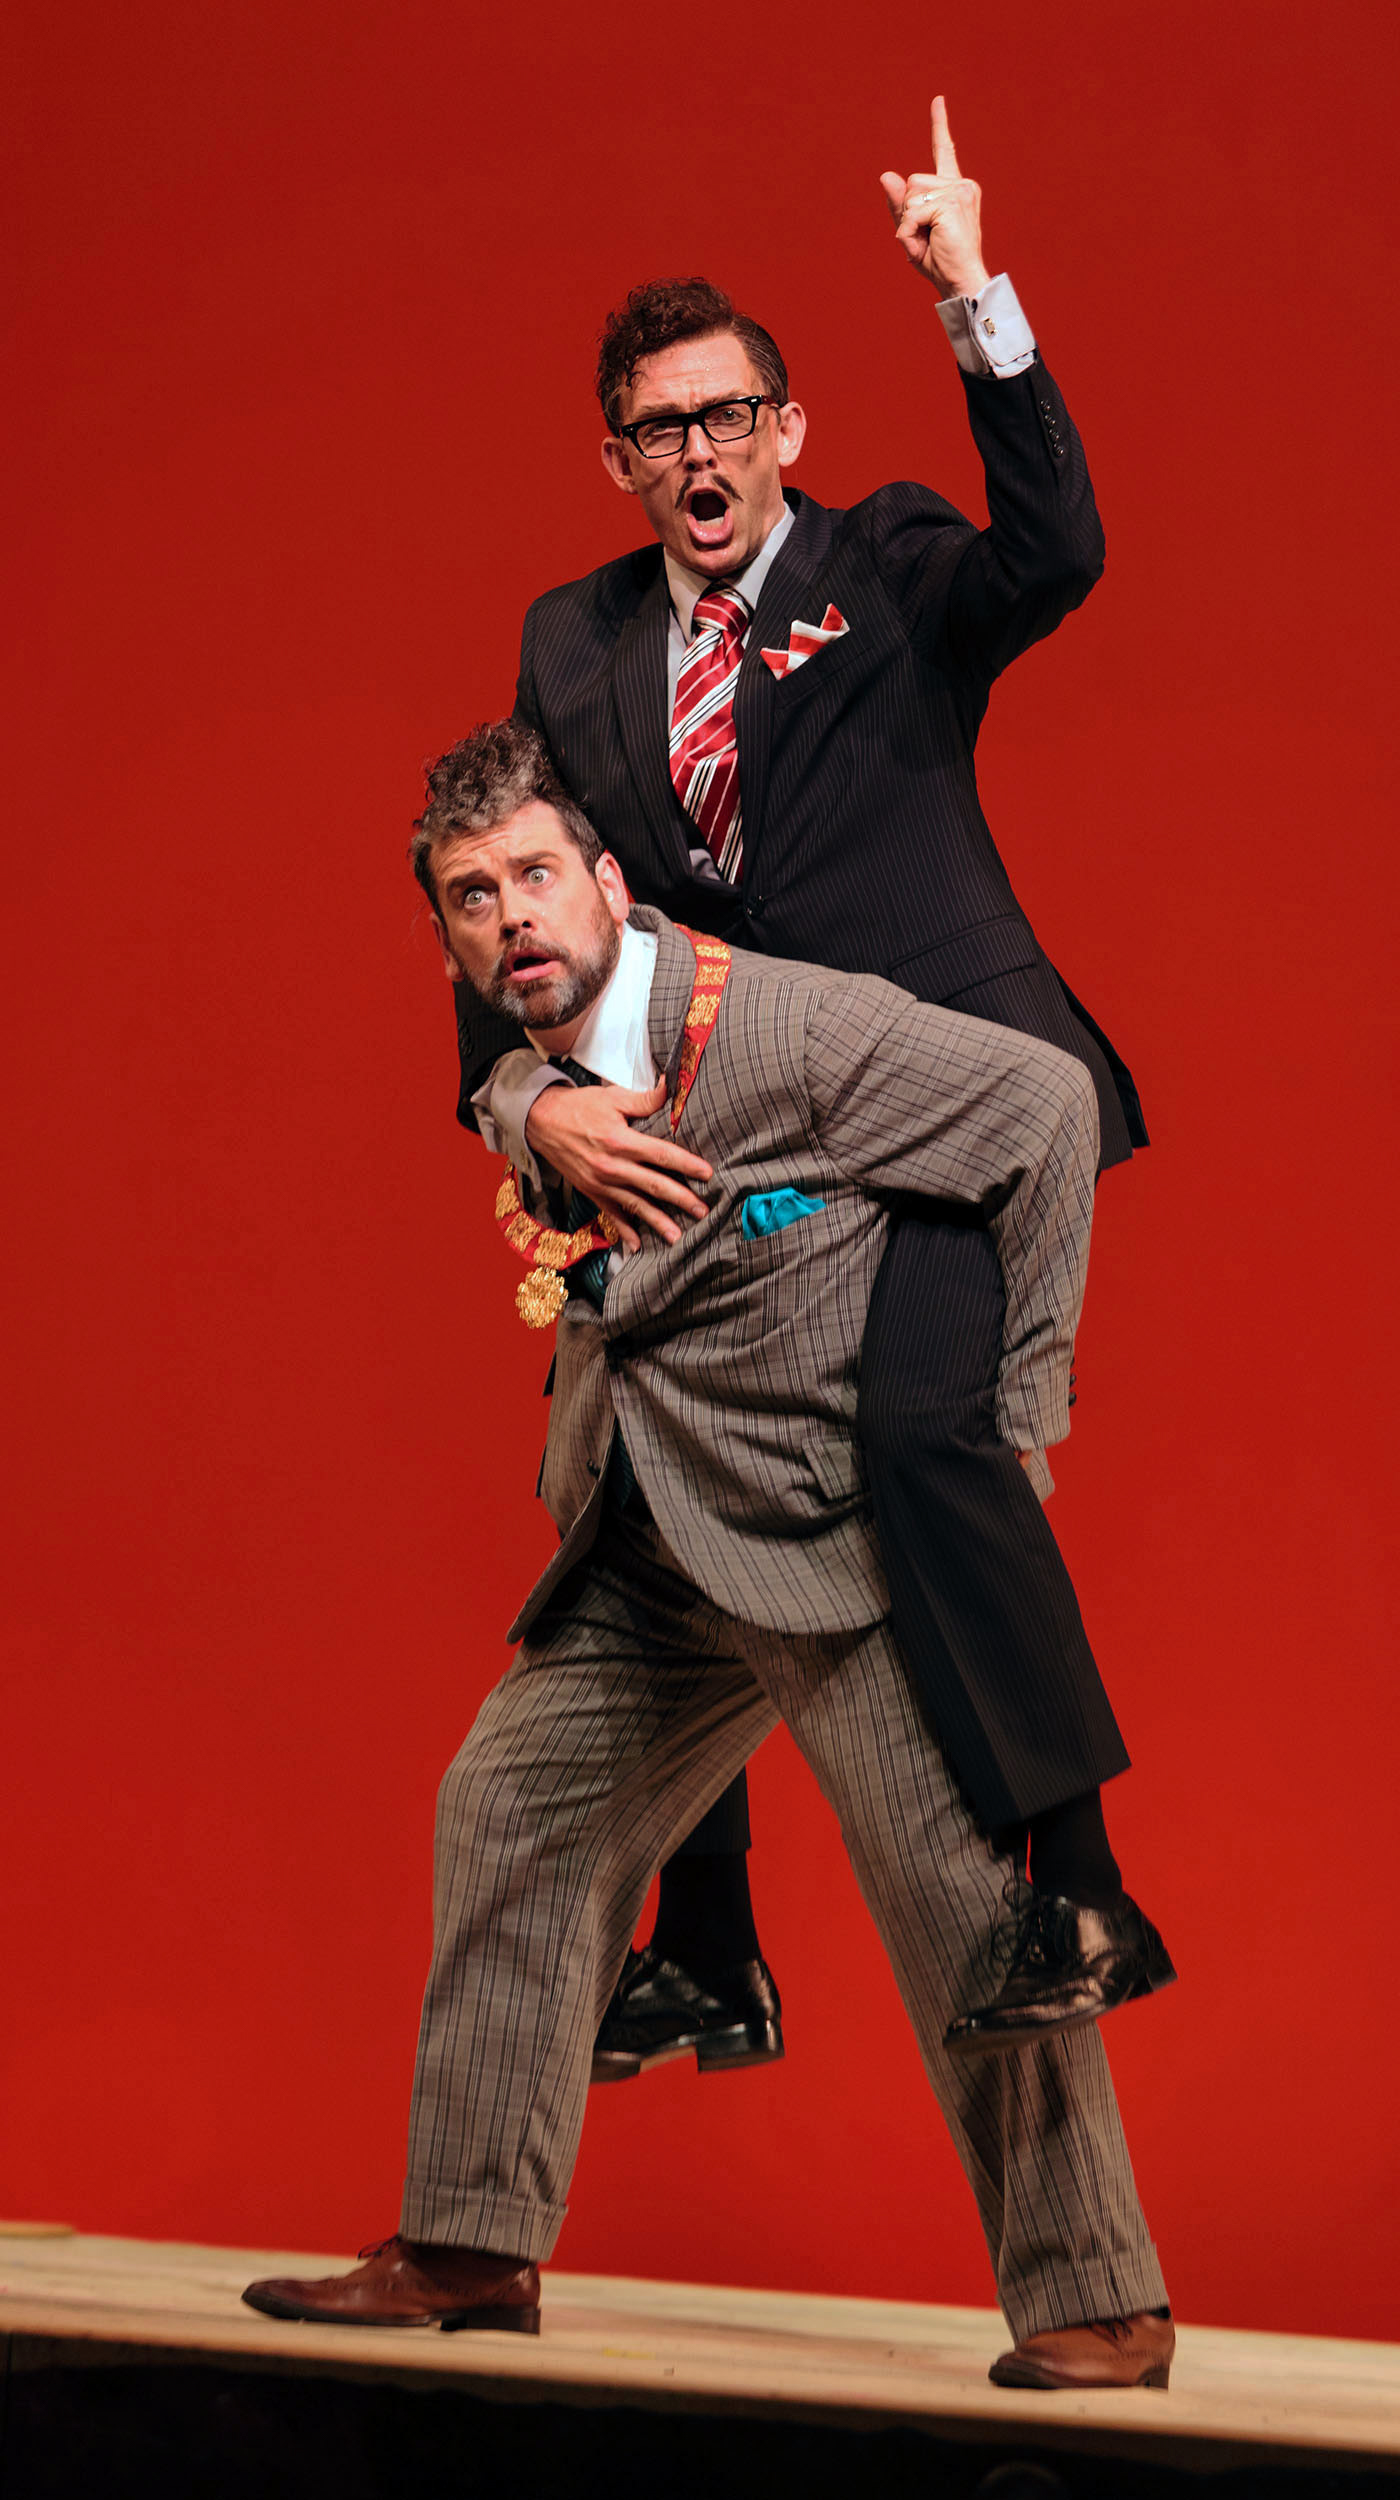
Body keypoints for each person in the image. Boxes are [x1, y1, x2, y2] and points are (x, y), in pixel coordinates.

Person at [242, 723, 1173, 2389]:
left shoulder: (795, 1031)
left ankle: (1096, 2298)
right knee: (505, 1812)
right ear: (451, 937)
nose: (512, 917)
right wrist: (531, 1110)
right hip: (647, 1531)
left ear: (607, 885)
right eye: (473, 898)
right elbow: (507, 1096)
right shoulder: (530, 1066)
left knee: (961, 1908)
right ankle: (468, 2243)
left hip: (831, 1536)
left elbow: (1044, 1107)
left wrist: (1018, 1404)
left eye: (536, 877)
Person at [457, 100, 1155, 2073]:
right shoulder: (572, 639)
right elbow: (513, 884)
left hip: (945, 1107)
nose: (698, 450)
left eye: (727, 414)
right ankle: (712, 1938)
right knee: (644, 1435)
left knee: (919, 1442)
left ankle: (1079, 1878)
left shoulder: (895, 561)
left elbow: (1063, 552)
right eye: (658, 426)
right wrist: (524, 1105)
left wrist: (971, 297)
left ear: (788, 426)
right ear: (616, 457)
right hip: (742, 1130)